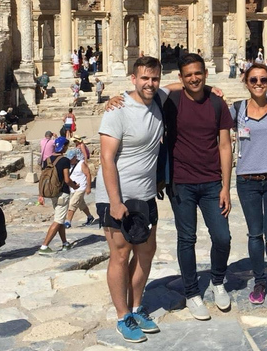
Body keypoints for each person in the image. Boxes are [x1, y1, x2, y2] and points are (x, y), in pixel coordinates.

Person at [97, 56, 165, 343]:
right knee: (120, 255)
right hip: (118, 196)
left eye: (155, 78)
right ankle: (122, 315)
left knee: (146, 251)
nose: (150, 83)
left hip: (146, 194)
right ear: (133, 79)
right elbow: (106, 157)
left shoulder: (159, 98)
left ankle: (137, 307)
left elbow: (183, 85)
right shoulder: (117, 110)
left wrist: (214, 90)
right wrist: (115, 200)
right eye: (144, 78)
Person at [165, 53, 234, 320]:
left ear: (205, 73)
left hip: (211, 182)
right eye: (188, 75)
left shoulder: (217, 103)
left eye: (198, 73)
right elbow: (153, 89)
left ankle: (217, 281)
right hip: (181, 182)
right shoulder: (173, 99)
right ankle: (192, 292)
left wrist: (226, 186)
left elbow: (225, 145)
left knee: (222, 237)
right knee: (187, 238)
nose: (194, 78)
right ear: (181, 78)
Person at [231, 62, 267, 305]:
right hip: (247, 181)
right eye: (253, 80)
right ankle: (259, 280)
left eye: (263, 80)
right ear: (246, 82)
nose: (258, 84)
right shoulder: (236, 109)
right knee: (255, 234)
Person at [38, 137, 80, 254]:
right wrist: (75, 186)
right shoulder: (64, 160)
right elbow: (67, 179)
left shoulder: (48, 160)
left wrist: (41, 193)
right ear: (64, 147)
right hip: (62, 193)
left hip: (52, 193)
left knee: (60, 217)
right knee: (58, 220)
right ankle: (44, 246)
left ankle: (65, 243)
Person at [64, 149, 95, 228]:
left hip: (81, 187)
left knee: (73, 203)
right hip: (73, 188)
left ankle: (68, 221)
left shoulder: (81, 164)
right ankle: (90, 217)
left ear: (75, 157)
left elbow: (88, 174)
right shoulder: (68, 165)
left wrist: (88, 187)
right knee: (81, 204)